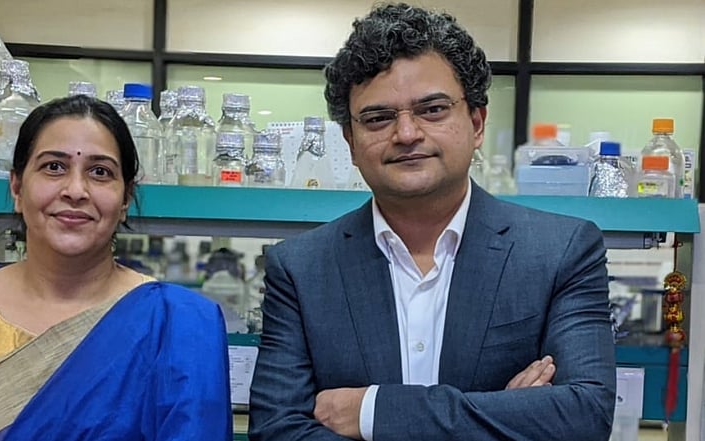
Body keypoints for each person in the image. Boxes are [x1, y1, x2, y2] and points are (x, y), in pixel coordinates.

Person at [248, 4, 616, 440]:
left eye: (433, 110)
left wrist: (372, 411)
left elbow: (583, 416)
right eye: (378, 118)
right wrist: (504, 415)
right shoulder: (302, 268)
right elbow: (276, 430)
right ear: (350, 140)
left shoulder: (561, 251)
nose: (406, 134)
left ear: (476, 122)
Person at [0, 95, 232, 441]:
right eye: (53, 167)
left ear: (125, 199)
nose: (76, 189)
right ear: (16, 186)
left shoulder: (178, 324)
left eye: (100, 172)